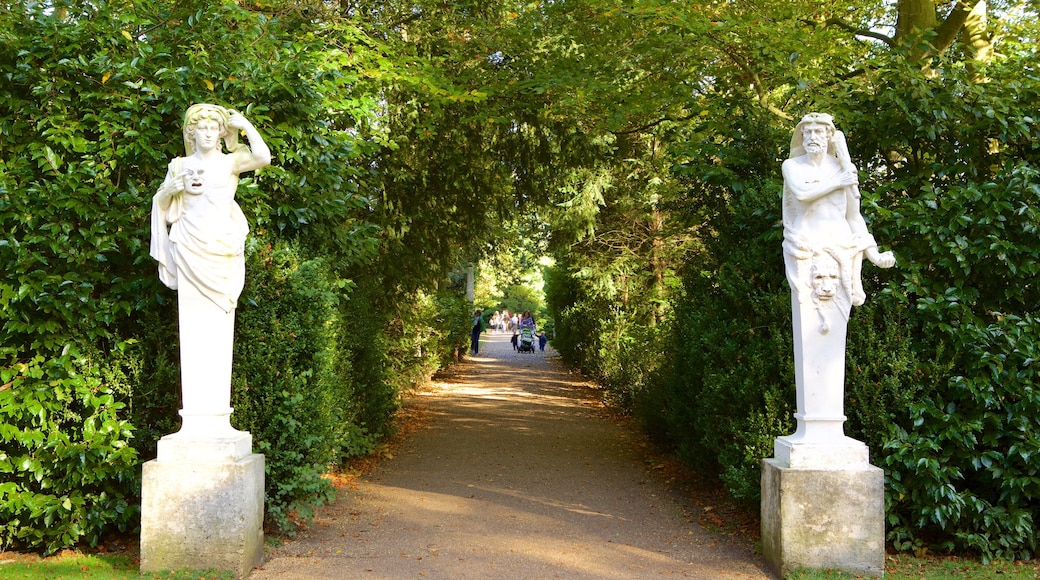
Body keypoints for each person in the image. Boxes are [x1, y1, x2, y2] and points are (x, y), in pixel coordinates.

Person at [150, 103, 270, 437]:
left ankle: (217, 421)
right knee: (192, 331)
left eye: (211, 128)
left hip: (222, 250)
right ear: (191, 133)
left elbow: (263, 157)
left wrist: (244, 124)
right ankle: (195, 423)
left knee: (217, 330)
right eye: (198, 128)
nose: (204, 133)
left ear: (220, 132)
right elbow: (161, 204)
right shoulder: (179, 166)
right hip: (188, 247)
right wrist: (167, 193)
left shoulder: (231, 162)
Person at [781, 112, 895, 319]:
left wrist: (874, 255)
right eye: (807, 133)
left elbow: (854, 217)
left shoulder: (844, 169)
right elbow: (801, 194)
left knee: (838, 313)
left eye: (818, 132)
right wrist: (838, 182)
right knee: (808, 312)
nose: (812, 137)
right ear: (802, 137)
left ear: (828, 136)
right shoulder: (792, 166)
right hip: (806, 242)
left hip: (840, 241)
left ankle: (854, 280)